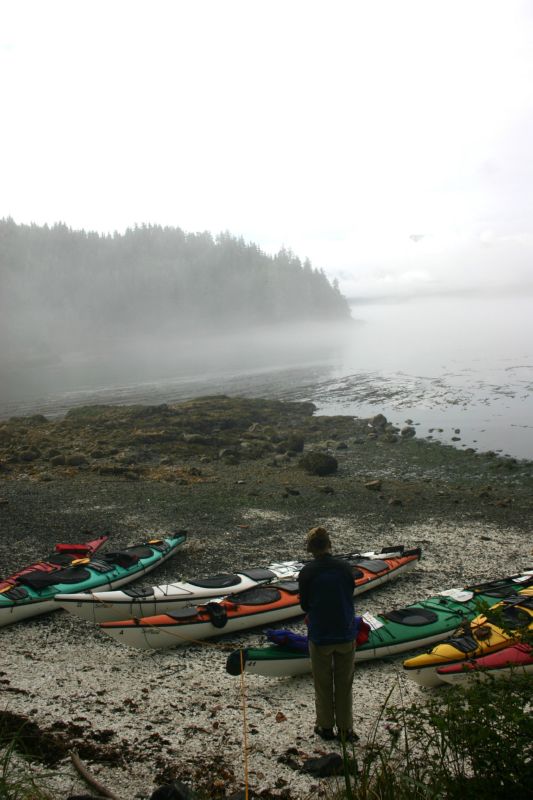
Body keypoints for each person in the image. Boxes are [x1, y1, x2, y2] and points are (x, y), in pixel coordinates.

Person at [298, 526, 359, 743]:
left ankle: (325, 727)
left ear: (310, 548)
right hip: (345, 632)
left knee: (323, 684)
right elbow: (350, 593)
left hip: (320, 635)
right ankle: (346, 729)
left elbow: (305, 605)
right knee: (344, 684)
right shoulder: (345, 568)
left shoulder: (307, 572)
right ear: (329, 544)